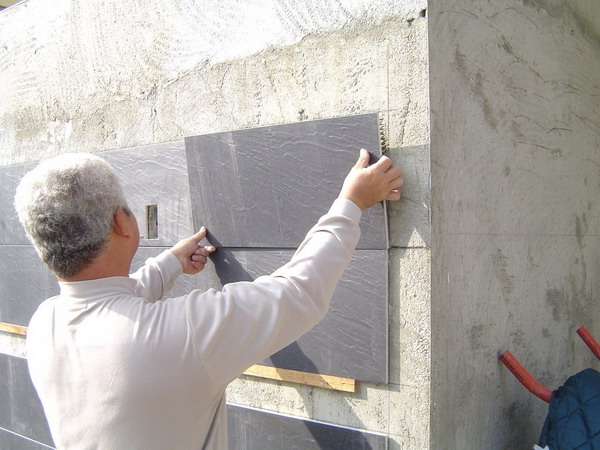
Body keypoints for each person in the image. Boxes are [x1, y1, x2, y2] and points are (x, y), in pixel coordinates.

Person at [14, 149, 403, 449]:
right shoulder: (182, 334)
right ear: (122, 222)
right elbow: (297, 292)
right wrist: (352, 202)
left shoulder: (45, 324)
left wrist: (169, 264)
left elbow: (111, 305)